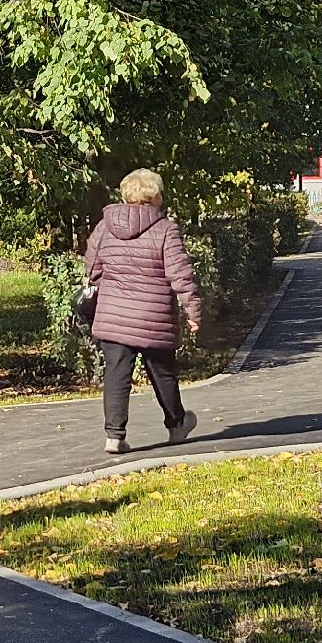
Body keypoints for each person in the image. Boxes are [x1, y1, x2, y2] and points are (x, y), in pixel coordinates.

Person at [84, 169, 203, 455]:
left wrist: (113, 293)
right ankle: (176, 425)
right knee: (162, 373)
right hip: (154, 317)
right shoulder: (165, 229)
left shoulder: (104, 227)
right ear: (156, 196)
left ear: (126, 194)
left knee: (115, 374)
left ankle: (114, 436)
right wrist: (193, 310)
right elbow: (180, 275)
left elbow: (92, 269)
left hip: (113, 316)